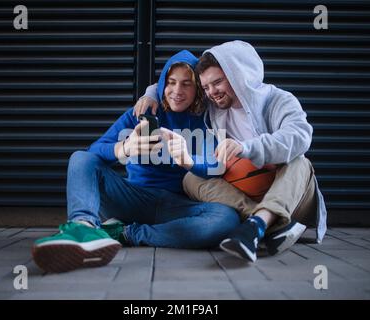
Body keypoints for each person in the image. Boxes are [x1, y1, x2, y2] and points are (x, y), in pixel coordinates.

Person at [31, 50, 241, 273]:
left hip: (177, 204)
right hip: (133, 198)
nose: (177, 91)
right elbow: (93, 152)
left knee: (225, 219)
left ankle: (125, 233)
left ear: (197, 87)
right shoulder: (143, 112)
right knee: (80, 158)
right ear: (162, 84)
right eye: (171, 82)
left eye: (186, 84)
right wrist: (124, 148)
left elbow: (215, 167)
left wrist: (188, 161)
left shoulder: (207, 119)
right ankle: (82, 227)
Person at [135, 40, 327, 262]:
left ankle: (259, 224)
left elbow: (300, 136)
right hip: (248, 194)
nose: (211, 92)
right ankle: (262, 225)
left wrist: (247, 148)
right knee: (191, 178)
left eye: (217, 82)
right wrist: (151, 94)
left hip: (293, 198)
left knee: (299, 161)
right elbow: (179, 84)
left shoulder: (277, 100)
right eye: (205, 87)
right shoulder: (216, 108)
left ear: (239, 75)